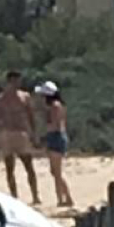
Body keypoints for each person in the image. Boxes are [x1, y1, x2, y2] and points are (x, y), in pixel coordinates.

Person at [0, 70, 41, 204]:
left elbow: (30, 116)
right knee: (9, 168)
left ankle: (35, 195)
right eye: (15, 81)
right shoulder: (0, 99)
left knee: (28, 165)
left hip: (20, 132)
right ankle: (14, 196)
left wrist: (33, 133)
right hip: (6, 133)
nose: (17, 83)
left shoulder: (24, 96)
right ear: (10, 81)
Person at [36, 80, 75, 209]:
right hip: (55, 137)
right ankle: (62, 198)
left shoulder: (55, 106)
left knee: (56, 171)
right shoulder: (54, 106)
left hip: (56, 137)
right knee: (55, 171)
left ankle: (66, 198)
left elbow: (56, 125)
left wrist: (45, 134)